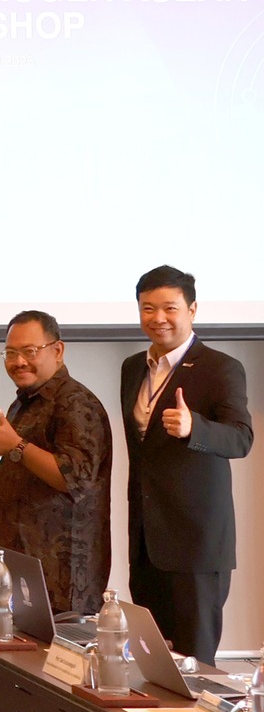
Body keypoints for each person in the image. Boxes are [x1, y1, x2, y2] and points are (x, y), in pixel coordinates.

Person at [122, 265, 252, 663]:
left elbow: (241, 438)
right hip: (147, 540)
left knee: (195, 664)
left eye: (170, 308)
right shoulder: (133, 367)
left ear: (192, 310)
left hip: (196, 543)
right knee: (152, 661)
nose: (158, 318)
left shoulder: (220, 367)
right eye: (148, 308)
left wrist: (195, 427)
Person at [0, 310, 113, 616]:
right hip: (22, 568)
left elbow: (75, 479)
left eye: (30, 351)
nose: (19, 361)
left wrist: (17, 446)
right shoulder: (26, 401)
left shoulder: (75, 402)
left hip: (58, 578)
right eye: (11, 353)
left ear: (57, 350)